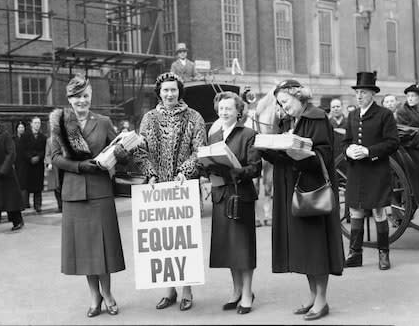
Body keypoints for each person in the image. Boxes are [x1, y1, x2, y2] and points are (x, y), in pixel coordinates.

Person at [260, 80, 344, 321]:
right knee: (304, 246)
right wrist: (268, 150)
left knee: (316, 245)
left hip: (311, 189)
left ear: (299, 97)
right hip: (292, 187)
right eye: (280, 103)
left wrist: (299, 153)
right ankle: (311, 295)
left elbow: (324, 156)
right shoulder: (289, 121)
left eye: (285, 102)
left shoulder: (316, 118)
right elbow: (285, 157)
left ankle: (322, 300)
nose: (283, 107)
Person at [50, 73, 128, 318]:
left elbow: (116, 146)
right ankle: (94, 297)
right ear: (69, 99)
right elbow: (54, 157)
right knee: (85, 250)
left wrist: (122, 153)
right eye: (76, 96)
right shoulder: (61, 123)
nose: (81, 101)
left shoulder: (103, 121)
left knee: (102, 248)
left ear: (90, 97)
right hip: (74, 194)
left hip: (100, 191)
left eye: (85, 96)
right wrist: (78, 166)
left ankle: (108, 294)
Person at [133, 71, 206, 311]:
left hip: (183, 186)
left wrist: (186, 170)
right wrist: (151, 173)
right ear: (159, 92)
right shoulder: (149, 118)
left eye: (173, 89)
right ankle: (169, 290)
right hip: (158, 188)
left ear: (179, 91)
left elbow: (200, 151)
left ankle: (187, 290)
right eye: (165, 90)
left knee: (184, 240)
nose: (169, 94)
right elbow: (140, 150)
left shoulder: (194, 117)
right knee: (163, 242)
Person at [204, 91, 262, 314]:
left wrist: (235, 170)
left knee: (243, 247)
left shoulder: (249, 134)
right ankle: (236, 290)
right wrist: (205, 166)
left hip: (241, 196)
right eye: (221, 108)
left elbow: (255, 168)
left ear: (239, 111)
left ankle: (247, 293)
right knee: (228, 247)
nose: (224, 112)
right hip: (220, 195)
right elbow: (209, 161)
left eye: (228, 108)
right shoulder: (214, 135)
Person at [342, 72, 399, 270]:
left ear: (372, 94)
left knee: (378, 211)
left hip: (376, 170)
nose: (359, 96)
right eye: (357, 92)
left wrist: (369, 151)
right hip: (356, 171)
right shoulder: (352, 115)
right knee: (355, 210)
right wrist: (348, 150)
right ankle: (355, 254)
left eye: (363, 92)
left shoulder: (384, 114)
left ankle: (383, 254)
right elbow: (346, 141)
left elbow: (393, 143)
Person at [22, 116, 47, 213]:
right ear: (31, 124)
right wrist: (30, 158)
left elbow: (44, 150)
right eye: (35, 123)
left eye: (39, 123)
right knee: (27, 184)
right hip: (28, 164)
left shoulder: (43, 137)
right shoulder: (25, 136)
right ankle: (25, 203)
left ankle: (38, 205)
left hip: (38, 164)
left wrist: (38, 157)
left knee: (38, 187)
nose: (37, 125)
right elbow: (23, 150)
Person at [12, 121, 29, 209]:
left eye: (22, 127)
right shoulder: (13, 138)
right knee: (17, 183)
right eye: (19, 127)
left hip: (26, 163)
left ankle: (25, 203)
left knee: (24, 184)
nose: (21, 129)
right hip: (16, 163)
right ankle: (18, 203)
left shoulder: (27, 138)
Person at [45, 135, 63, 213]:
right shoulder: (49, 140)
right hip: (54, 166)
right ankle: (60, 206)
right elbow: (47, 154)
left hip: (63, 164)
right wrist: (49, 163)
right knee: (56, 187)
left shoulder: (63, 138)